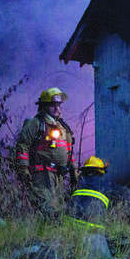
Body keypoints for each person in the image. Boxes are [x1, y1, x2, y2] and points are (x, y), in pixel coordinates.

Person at [13, 87, 78, 215]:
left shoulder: (63, 127)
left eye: (58, 105)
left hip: (59, 175)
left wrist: (73, 171)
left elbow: (69, 151)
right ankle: (40, 233)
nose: (57, 109)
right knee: (46, 208)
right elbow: (23, 146)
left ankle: (52, 234)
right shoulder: (36, 123)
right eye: (53, 105)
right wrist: (23, 169)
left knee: (59, 209)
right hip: (42, 174)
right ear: (44, 106)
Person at [65, 156, 130, 229]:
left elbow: (67, 199)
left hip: (71, 222)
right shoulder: (105, 184)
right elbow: (127, 193)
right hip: (94, 225)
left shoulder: (78, 183)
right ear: (101, 172)